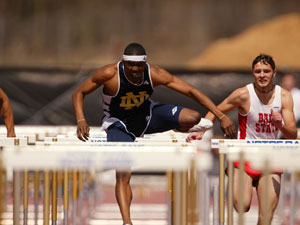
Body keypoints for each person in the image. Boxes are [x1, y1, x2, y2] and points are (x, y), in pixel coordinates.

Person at [72, 42, 236, 225]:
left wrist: (221, 115)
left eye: (139, 66)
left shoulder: (154, 74)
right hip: (118, 124)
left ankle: (176, 127)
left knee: (194, 117)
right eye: (130, 65)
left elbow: (191, 90)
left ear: (145, 64)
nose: (135, 70)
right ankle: (127, 221)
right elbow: (79, 93)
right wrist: (81, 120)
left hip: (147, 117)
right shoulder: (109, 74)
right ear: (123, 62)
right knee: (123, 172)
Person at [187, 53, 298, 225]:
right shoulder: (243, 94)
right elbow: (217, 110)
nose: (262, 75)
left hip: (271, 157)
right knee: (241, 205)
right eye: (258, 71)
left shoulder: (284, 97)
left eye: (266, 71)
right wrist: (202, 130)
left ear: (274, 73)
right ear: (253, 73)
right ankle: (233, 173)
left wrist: (280, 124)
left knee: (266, 215)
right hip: (244, 156)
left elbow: (292, 134)